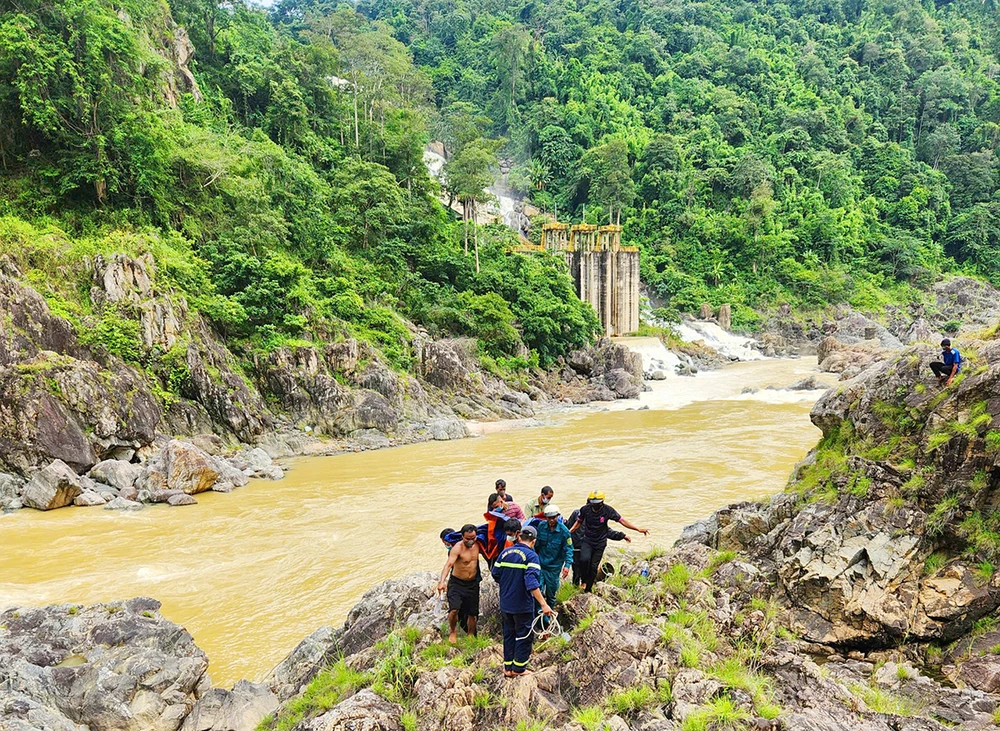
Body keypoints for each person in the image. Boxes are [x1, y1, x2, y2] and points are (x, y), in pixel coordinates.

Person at [491, 525, 555, 677]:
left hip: (506, 603)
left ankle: (507, 668)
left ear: (519, 537)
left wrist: (509, 584)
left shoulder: (505, 553)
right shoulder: (532, 557)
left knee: (508, 634)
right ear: (533, 541)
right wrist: (544, 604)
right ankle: (518, 669)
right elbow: (532, 582)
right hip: (522, 605)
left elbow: (495, 574)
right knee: (524, 635)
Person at [570, 492, 649, 592]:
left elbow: (621, 521)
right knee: (584, 560)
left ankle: (588, 589)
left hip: (600, 543)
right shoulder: (584, 510)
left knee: (594, 567)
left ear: (602, 502)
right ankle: (584, 581)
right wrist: (569, 532)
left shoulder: (608, 510)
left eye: (597, 503)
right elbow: (577, 523)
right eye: (593, 503)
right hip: (587, 541)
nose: (595, 506)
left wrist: (637, 529)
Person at [438, 524, 482, 644]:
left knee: (472, 613)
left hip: (473, 584)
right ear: (462, 536)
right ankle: (453, 632)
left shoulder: (479, 545)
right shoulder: (457, 548)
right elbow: (448, 565)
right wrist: (442, 581)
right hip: (457, 583)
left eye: (473, 538)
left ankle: (471, 635)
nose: (470, 541)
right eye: (467, 538)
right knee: (454, 609)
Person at [568, 508, 630, 586]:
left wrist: (622, 536)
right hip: (577, 548)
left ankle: (586, 585)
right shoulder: (576, 514)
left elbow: (607, 531)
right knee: (577, 570)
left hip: (589, 548)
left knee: (590, 568)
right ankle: (575, 587)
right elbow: (568, 528)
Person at [533, 504, 573, 611]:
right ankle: (538, 614)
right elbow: (535, 545)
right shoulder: (541, 526)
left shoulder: (564, 532)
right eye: (549, 518)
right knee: (538, 592)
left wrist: (567, 566)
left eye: (554, 517)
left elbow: (569, 549)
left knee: (551, 594)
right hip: (540, 565)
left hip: (553, 569)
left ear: (557, 517)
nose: (551, 520)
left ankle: (549, 615)